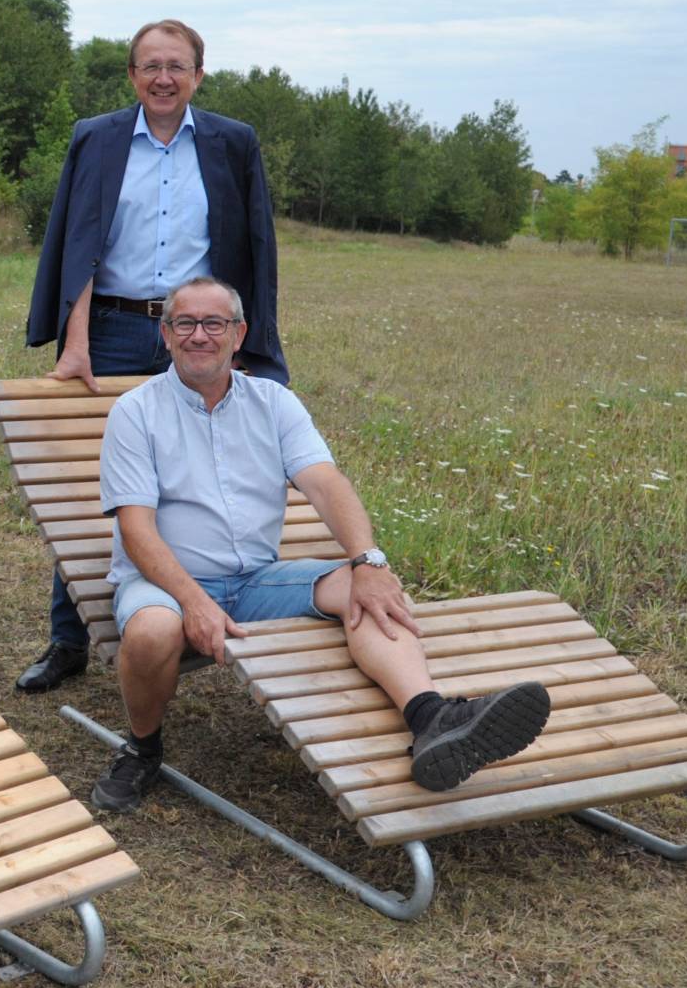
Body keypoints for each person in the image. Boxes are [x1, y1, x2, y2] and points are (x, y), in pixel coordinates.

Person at [86, 279, 551, 812]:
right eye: (184, 323)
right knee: (150, 631)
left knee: (369, 591)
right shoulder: (135, 412)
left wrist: (369, 561)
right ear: (166, 335)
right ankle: (142, 749)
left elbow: (326, 484)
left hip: (255, 581)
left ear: (237, 334)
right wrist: (193, 601)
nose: (199, 335)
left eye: (213, 323)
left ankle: (430, 718)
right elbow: (136, 532)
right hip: (165, 585)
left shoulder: (274, 403)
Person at [17, 19, 286, 694]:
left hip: (196, 334)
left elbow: (255, 249)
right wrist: (74, 342)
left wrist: (246, 346)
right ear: (132, 76)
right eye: (149, 66)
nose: (163, 78)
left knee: (191, 470)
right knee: (88, 483)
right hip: (111, 327)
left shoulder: (232, 143)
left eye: (176, 66)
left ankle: (197, 599)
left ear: (199, 73)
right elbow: (78, 242)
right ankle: (68, 639)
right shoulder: (97, 138)